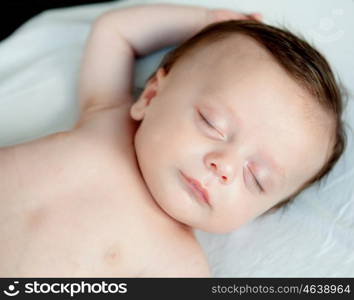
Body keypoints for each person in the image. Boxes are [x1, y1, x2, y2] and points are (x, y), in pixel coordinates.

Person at [0, 3, 346, 277]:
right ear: (150, 96)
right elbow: (116, 32)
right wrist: (206, 19)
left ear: (260, 213)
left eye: (255, 178)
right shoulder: (107, 120)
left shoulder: (179, 267)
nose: (223, 165)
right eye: (212, 124)